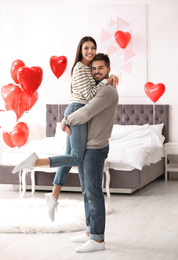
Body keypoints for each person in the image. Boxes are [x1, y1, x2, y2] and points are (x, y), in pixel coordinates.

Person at [12, 37, 118, 221]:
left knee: (68, 158)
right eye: (86, 48)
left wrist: (110, 77)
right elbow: (91, 95)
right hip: (77, 110)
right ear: (80, 49)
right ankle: (35, 161)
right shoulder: (79, 68)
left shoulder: (89, 69)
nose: (90, 51)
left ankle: (53, 196)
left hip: (78, 109)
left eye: (93, 48)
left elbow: (99, 80)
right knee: (77, 157)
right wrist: (107, 81)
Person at [61, 53, 119, 253]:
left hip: (95, 148)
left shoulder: (107, 92)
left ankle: (98, 239)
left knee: (94, 192)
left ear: (108, 69)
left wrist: (65, 120)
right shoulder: (98, 89)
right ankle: (89, 231)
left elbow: (86, 112)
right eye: (94, 69)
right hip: (88, 146)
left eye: (101, 68)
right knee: (86, 191)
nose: (96, 72)